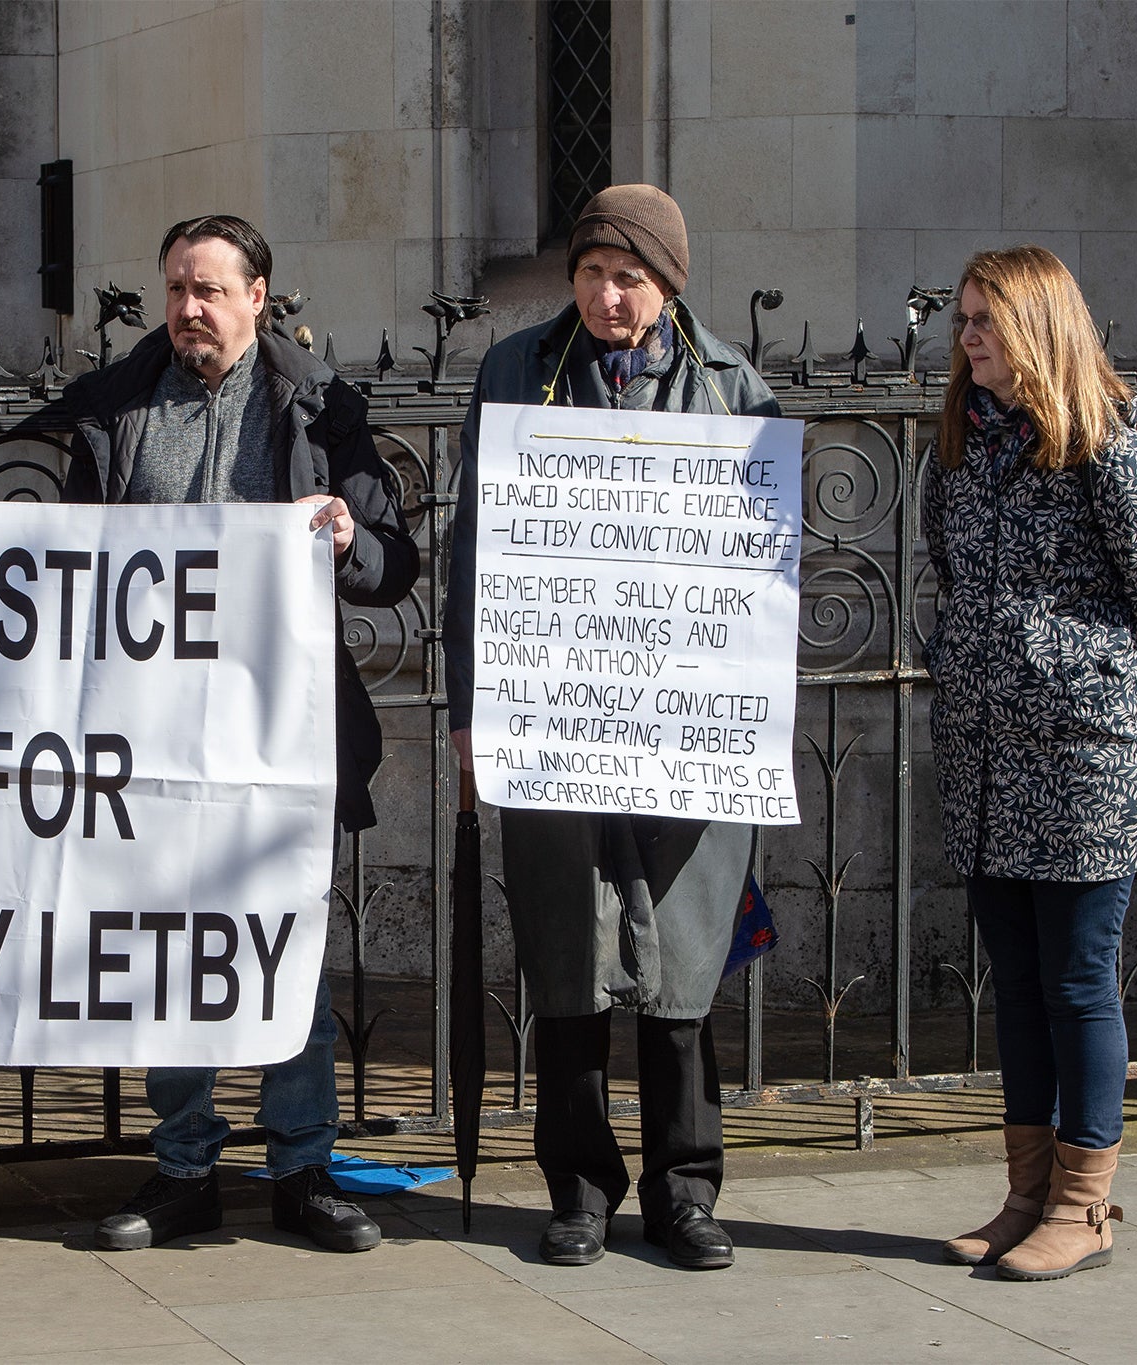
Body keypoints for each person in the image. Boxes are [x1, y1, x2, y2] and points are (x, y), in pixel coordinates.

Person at [63, 214, 419, 1254]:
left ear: (258, 297)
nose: (187, 309)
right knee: (169, 954)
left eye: (209, 290)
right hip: (151, 734)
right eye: (175, 288)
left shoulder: (321, 407)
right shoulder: (111, 408)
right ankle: (183, 1169)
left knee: (282, 956)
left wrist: (351, 539)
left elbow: (394, 565)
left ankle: (302, 1170)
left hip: (279, 733)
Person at [442, 184, 780, 1271]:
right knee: (567, 954)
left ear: (668, 284)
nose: (603, 294)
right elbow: (472, 552)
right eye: (589, 272)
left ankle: (685, 1191)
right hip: (551, 720)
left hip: (678, 728)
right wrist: (468, 712)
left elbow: (763, 571)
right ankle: (577, 1188)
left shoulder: (733, 390)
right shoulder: (511, 371)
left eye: (626, 276)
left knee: (677, 961)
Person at [925, 246, 1137, 1281]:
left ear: (1036, 329)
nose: (965, 340)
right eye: (960, 320)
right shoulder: (957, 450)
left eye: (983, 323)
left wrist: (1094, 683)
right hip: (987, 759)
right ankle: (1024, 1193)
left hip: (1086, 763)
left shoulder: (1110, 454)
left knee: (1078, 982)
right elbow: (949, 571)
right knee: (1017, 981)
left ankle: (1082, 1206)